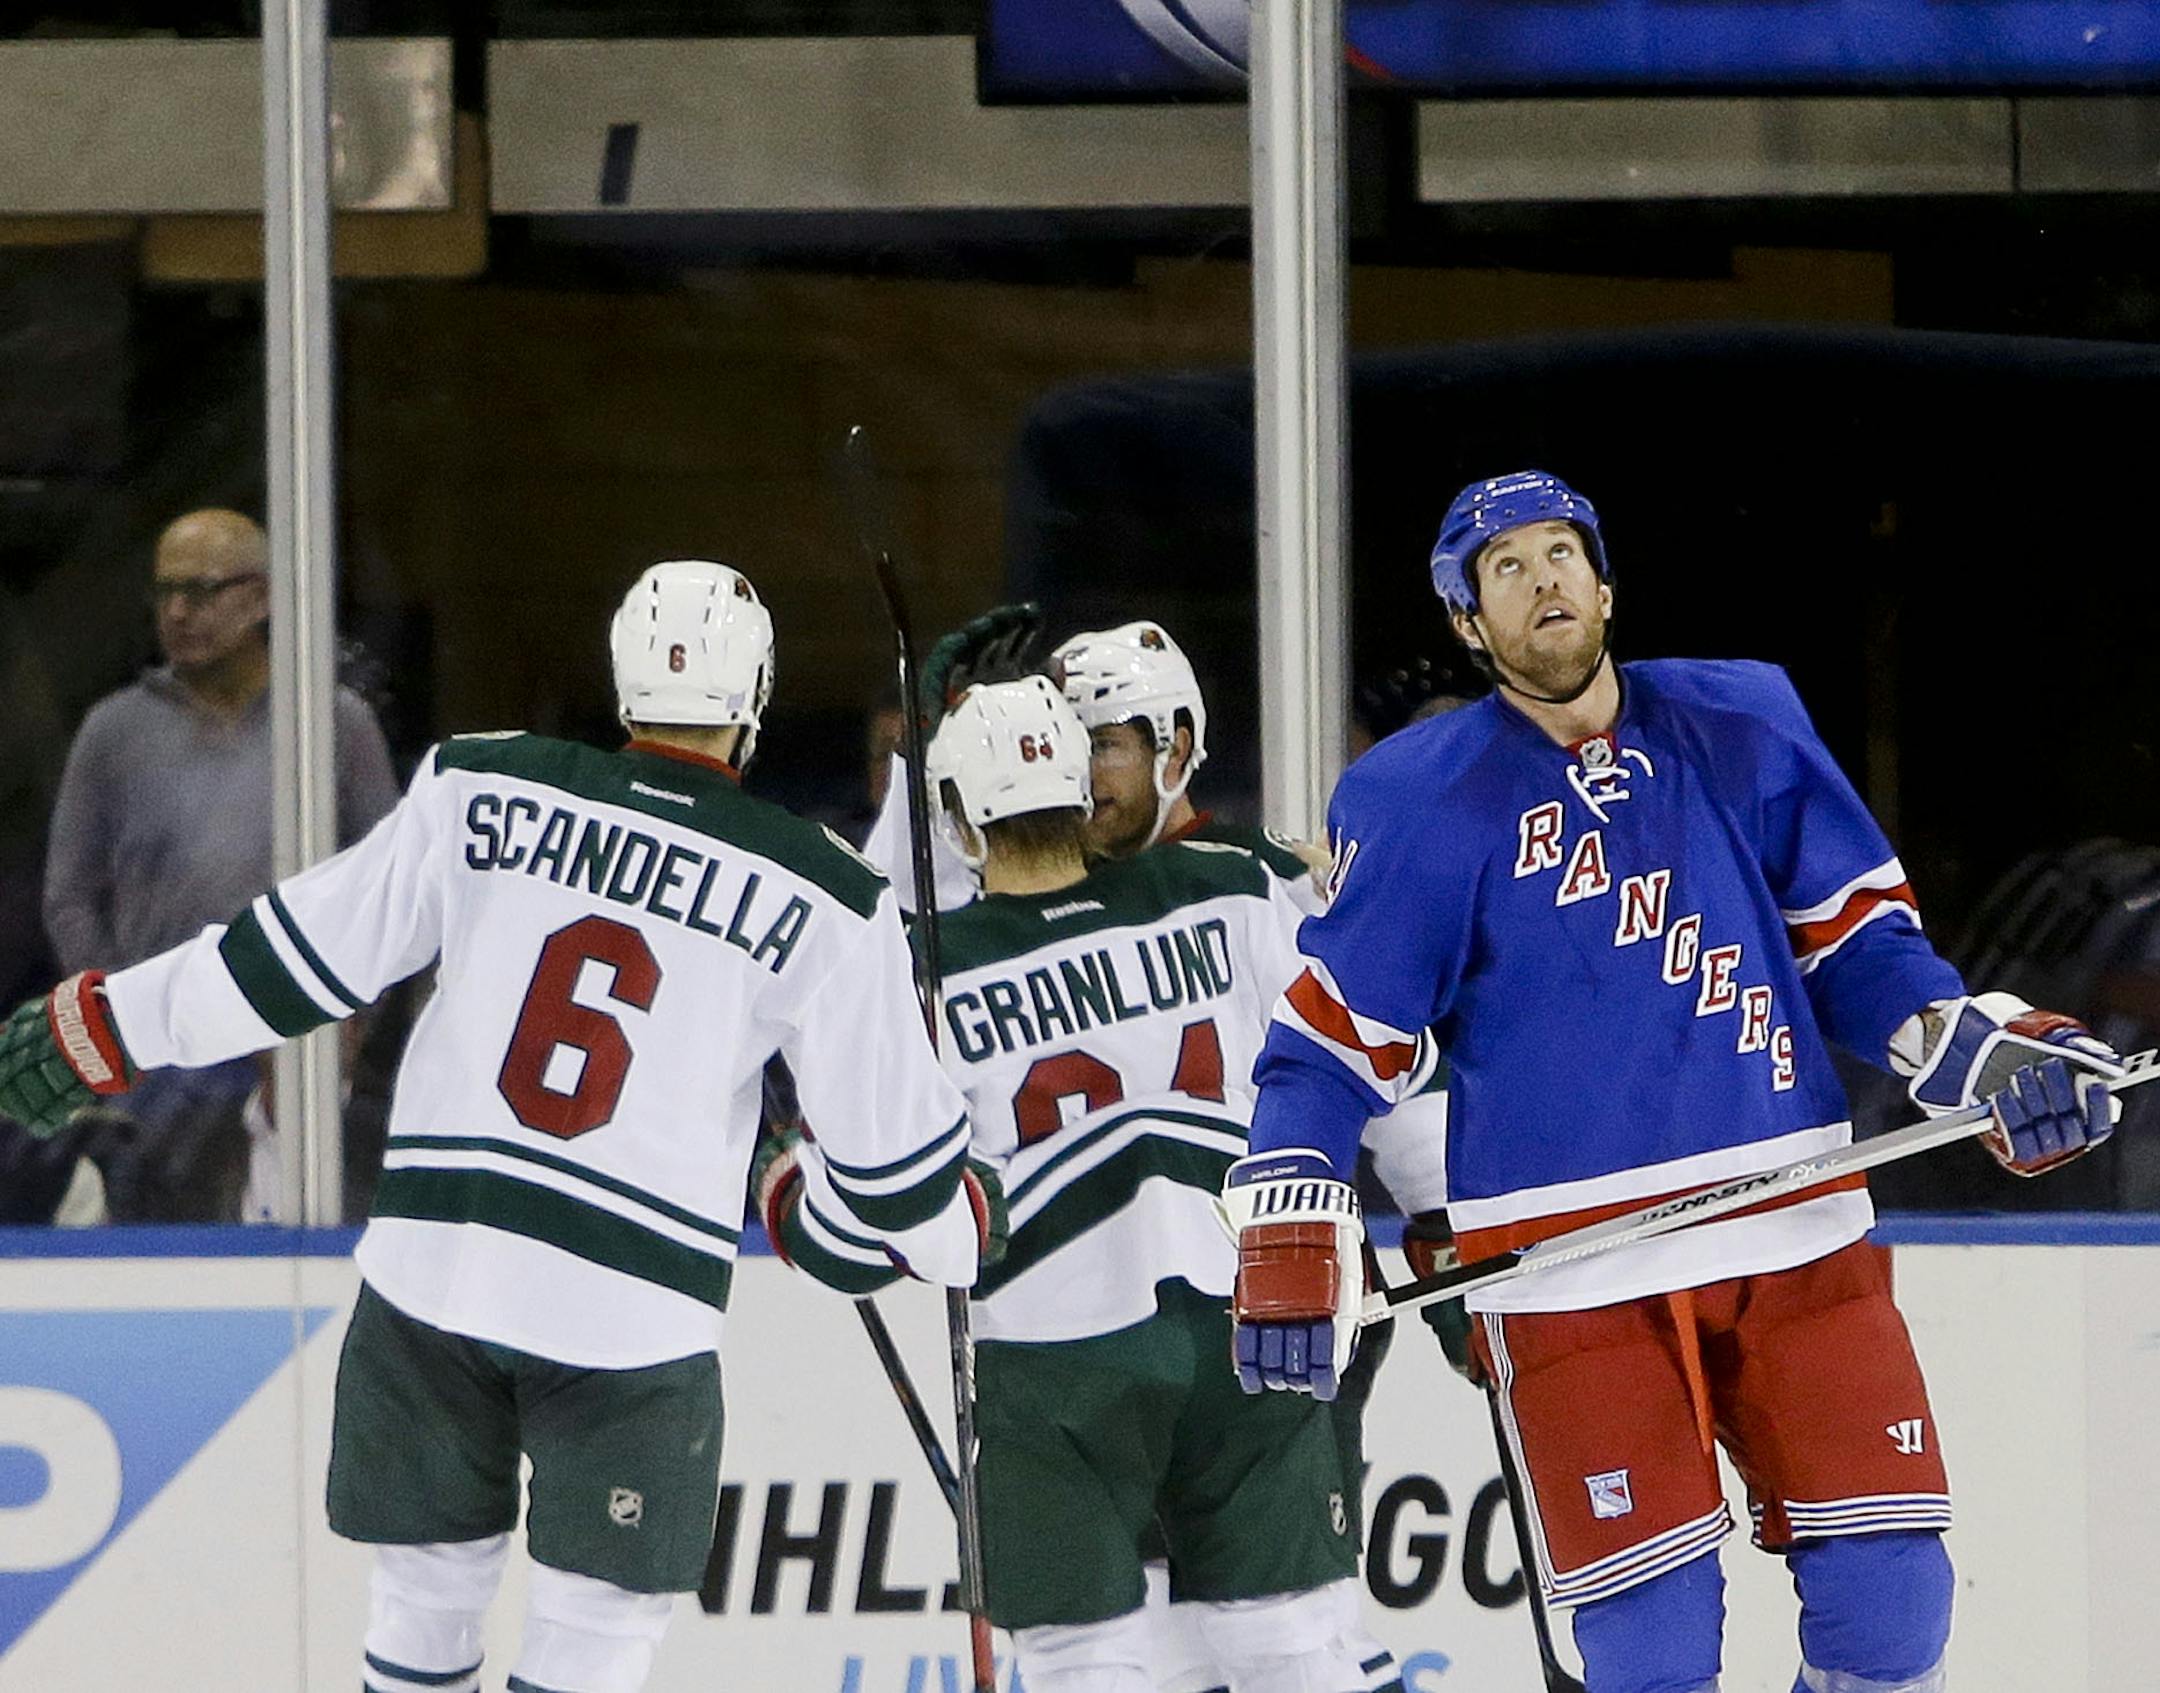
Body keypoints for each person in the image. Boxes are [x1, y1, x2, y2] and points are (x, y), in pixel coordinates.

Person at [0, 559, 1001, 1693]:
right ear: (758, 697)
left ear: (624, 682)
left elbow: (294, 958)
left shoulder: (478, 787)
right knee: (594, 1642)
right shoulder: (823, 894)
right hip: (627, 1315)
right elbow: (902, 1188)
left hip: (434, 1274)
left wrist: (103, 1027)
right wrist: (952, 1226)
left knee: (420, 1619)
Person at [1221, 470, 2124, 1693]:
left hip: (1795, 1228)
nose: (1543, 579)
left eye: (1561, 553)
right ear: (1467, 623)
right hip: (1571, 1271)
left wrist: (1986, 1053)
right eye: (1506, 568)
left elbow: (1861, 949)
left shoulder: (1743, 720)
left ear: (1604, 580)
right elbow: (1330, 1047)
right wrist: (1287, 1224)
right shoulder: (1418, 798)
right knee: (1651, 1655)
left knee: (1894, 1611)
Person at [763, 672, 1369, 1693]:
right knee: (1294, 1647)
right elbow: (1367, 1020)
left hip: (1054, 1366)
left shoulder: (923, 973)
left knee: (1085, 1665)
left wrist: (782, 1182)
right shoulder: (1223, 885)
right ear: (1082, 790)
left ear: (956, 818)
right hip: (1247, 1323)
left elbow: (864, 1231)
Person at [40, 507, 399, 1218]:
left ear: (262, 596)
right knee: (164, 1249)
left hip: (298, 1054)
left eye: (202, 590)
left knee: (307, 1236)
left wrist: (352, 1018)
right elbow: (70, 896)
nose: (178, 612)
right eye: (165, 592)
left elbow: (392, 882)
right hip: (164, 1066)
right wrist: (121, 1020)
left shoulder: (331, 721)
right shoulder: (114, 731)